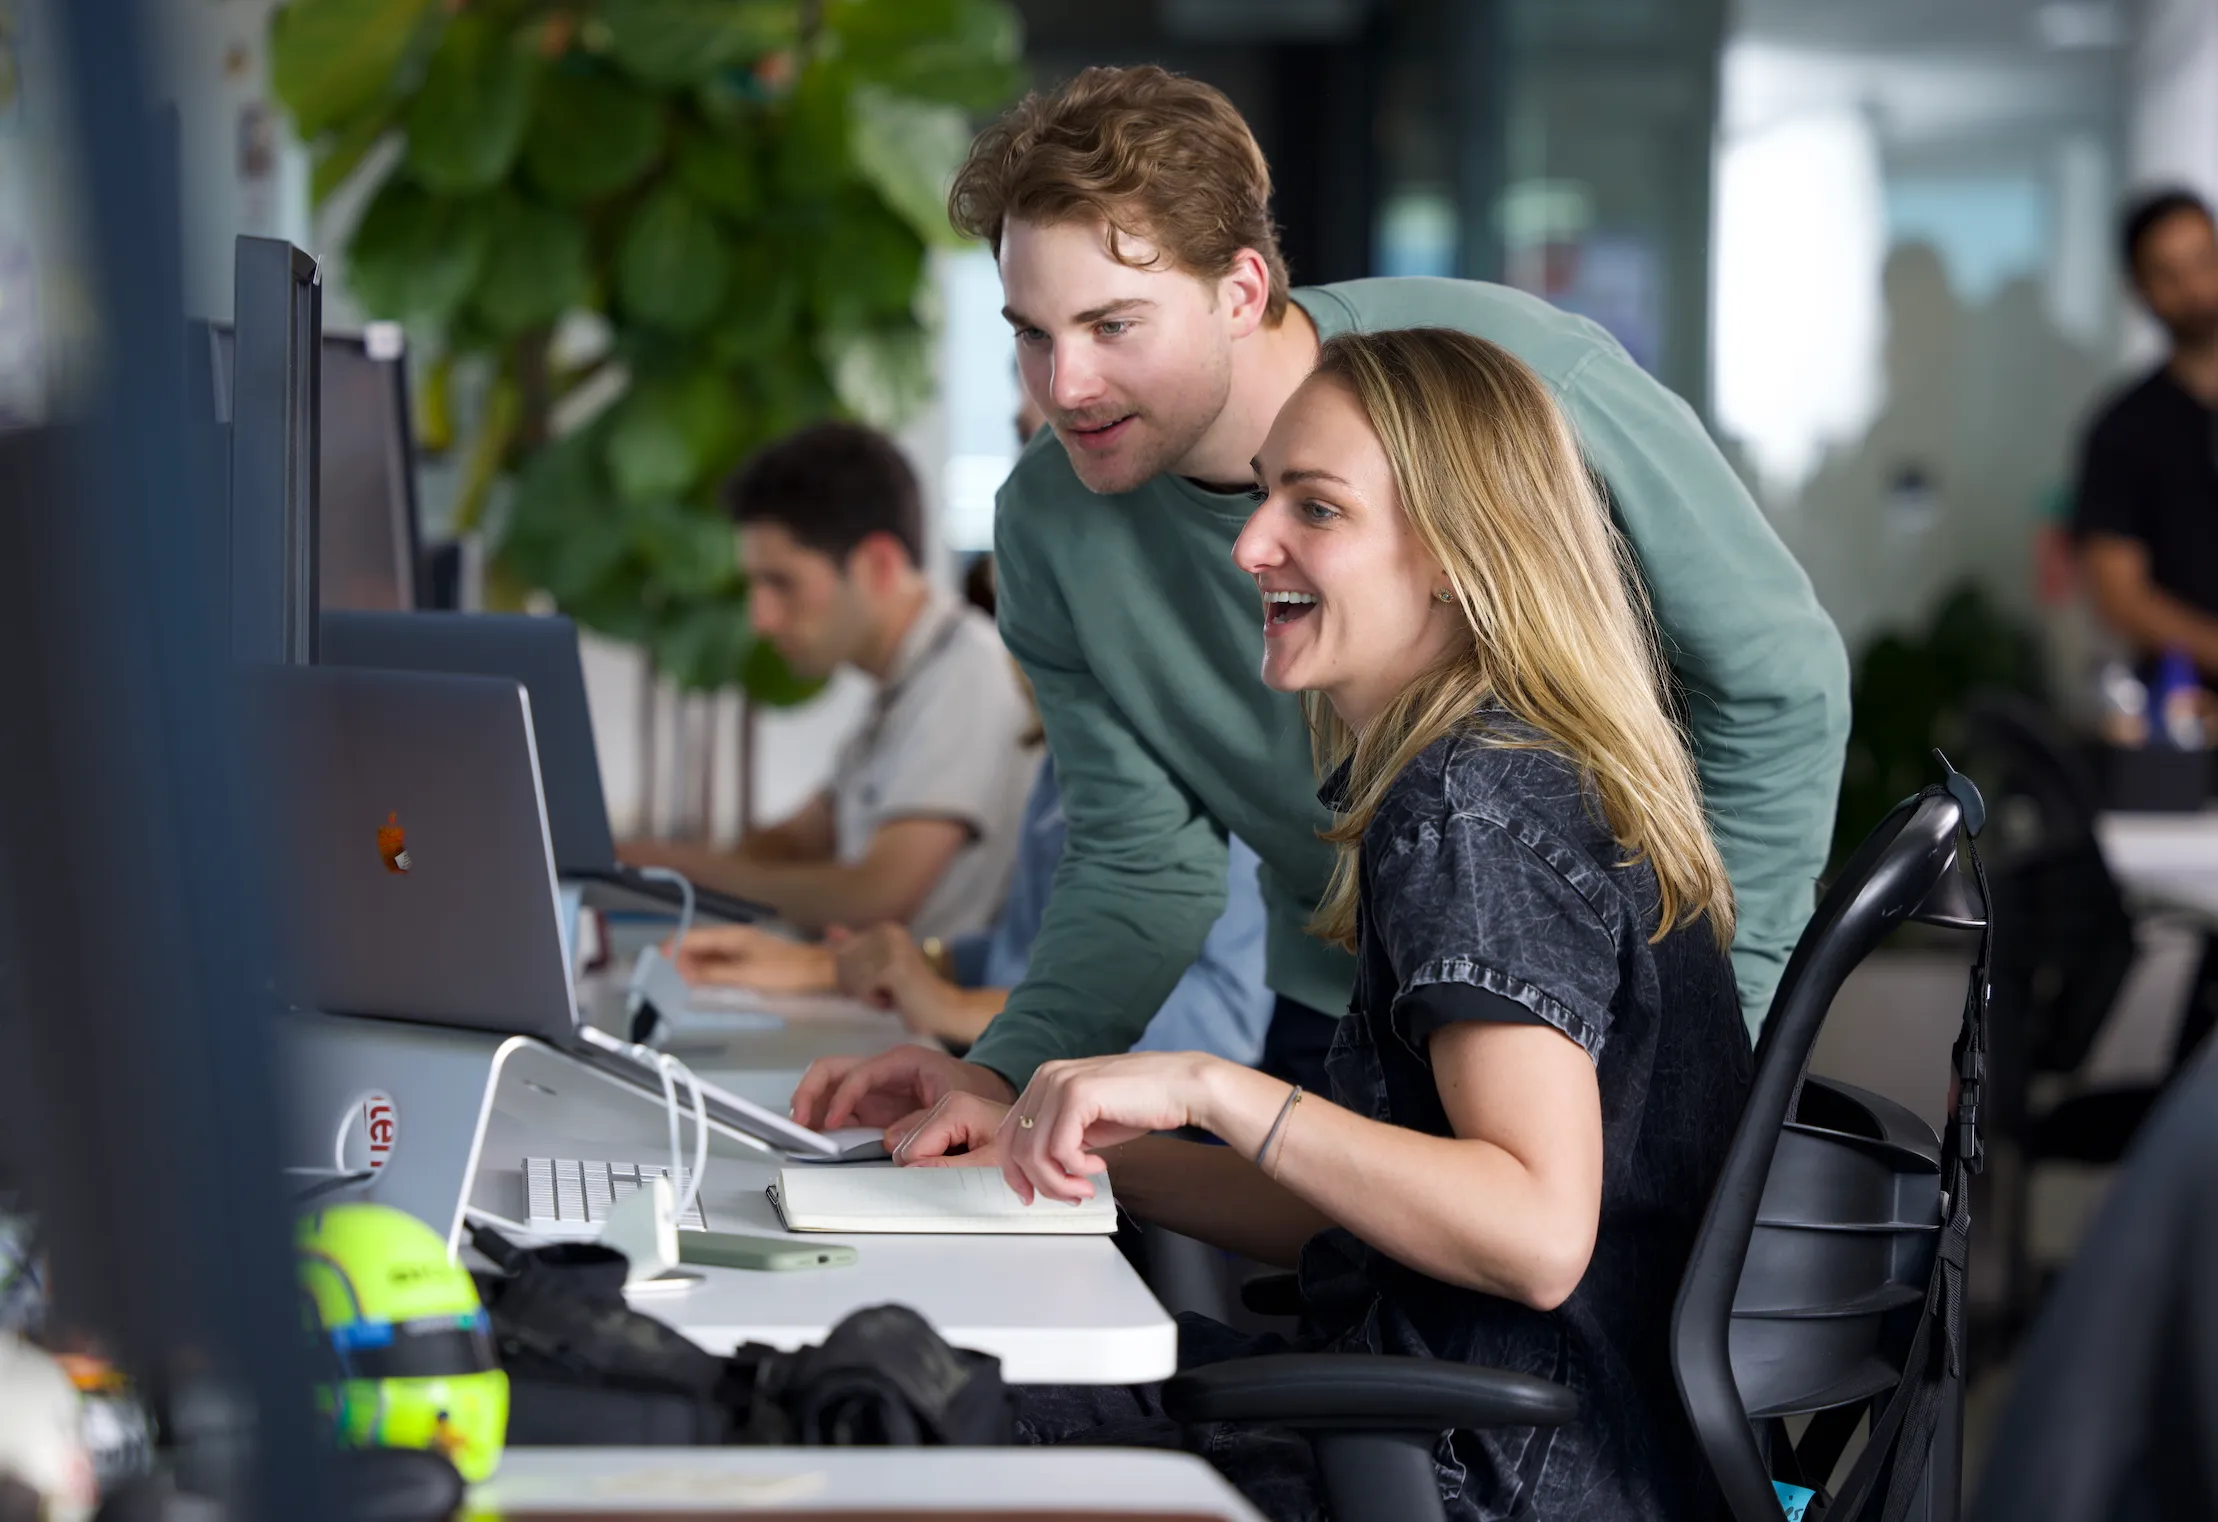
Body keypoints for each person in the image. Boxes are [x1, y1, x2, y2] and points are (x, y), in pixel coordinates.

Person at [789, 64, 1844, 1130]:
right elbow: (1139, 863)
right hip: (1346, 1001)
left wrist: (1724, 1031)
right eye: (1030, 334)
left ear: (1242, 292)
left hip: (1604, 1018)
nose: (1063, 388)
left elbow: (1776, 688)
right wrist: (1005, 1074)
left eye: (1113, 327)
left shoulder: (1507, 378)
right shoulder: (1047, 527)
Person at [881, 329, 1750, 1522]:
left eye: (1316, 508)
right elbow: (1372, 1210)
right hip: (1487, 1443)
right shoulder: (1501, 774)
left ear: (1454, 555)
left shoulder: (1471, 807)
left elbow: (1533, 1231)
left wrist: (1208, 1085)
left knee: (894, 1412)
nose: (1250, 544)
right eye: (1262, 494)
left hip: (1483, 1474)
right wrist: (1050, 1134)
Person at [620, 421, 1035, 939]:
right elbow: (796, 840)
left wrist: (677, 872)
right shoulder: (906, 684)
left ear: (878, 564)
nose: (760, 619)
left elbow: (877, 896)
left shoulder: (969, 673)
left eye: (781, 583)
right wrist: (658, 866)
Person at [674, 760, 1275, 1060]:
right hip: (1018, 1085)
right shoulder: (1074, 742)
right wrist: (833, 969)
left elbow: (1221, 1023)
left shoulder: (1214, 758)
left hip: (1131, 1153)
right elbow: (1045, 952)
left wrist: (956, 1007)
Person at [2074, 188, 2218, 678]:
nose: (2195, 288)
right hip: (2183, 714)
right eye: (2169, 273)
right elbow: (2119, 595)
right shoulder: (2122, 431)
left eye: (2203, 261)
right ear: (2139, 288)